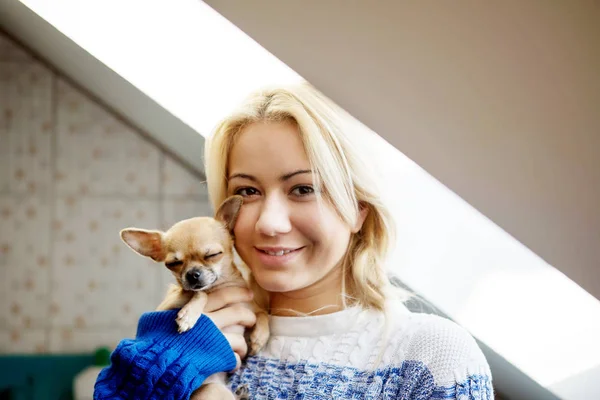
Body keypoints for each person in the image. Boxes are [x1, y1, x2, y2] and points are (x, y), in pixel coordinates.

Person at [94, 83, 494, 399]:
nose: (269, 222)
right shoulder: (173, 342)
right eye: (247, 192)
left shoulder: (429, 356)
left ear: (358, 209)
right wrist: (165, 370)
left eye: (303, 189)